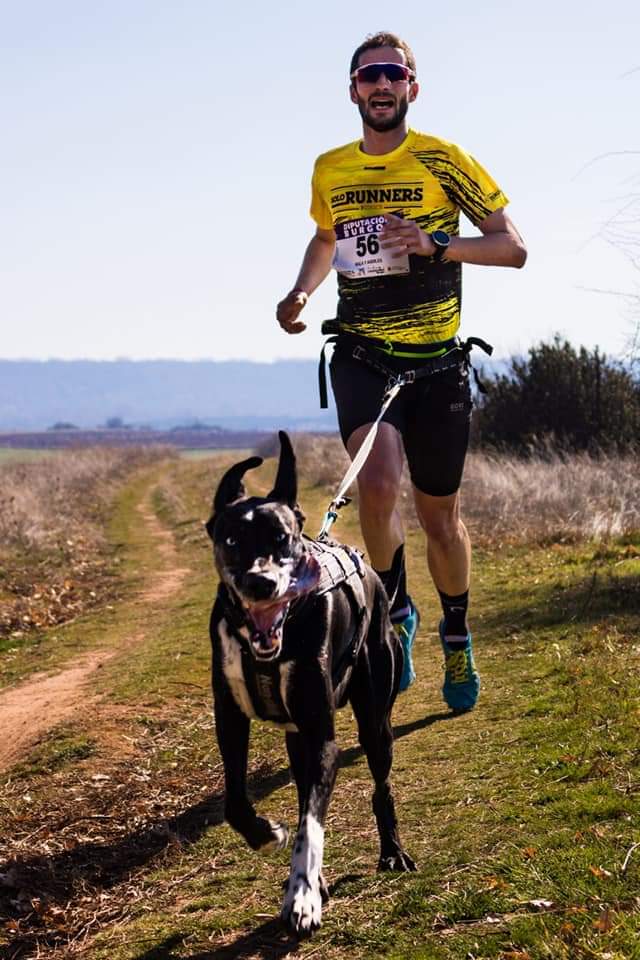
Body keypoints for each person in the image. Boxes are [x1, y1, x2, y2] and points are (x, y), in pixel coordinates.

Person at [276, 32, 526, 711]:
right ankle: (394, 618)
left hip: (437, 366)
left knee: (439, 518)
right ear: (353, 90)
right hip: (362, 353)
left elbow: (513, 248)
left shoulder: (445, 161)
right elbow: (327, 237)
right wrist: (301, 291)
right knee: (378, 484)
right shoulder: (331, 168)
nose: (381, 86)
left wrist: (437, 243)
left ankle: (456, 632)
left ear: (412, 87)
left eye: (393, 74)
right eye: (368, 76)